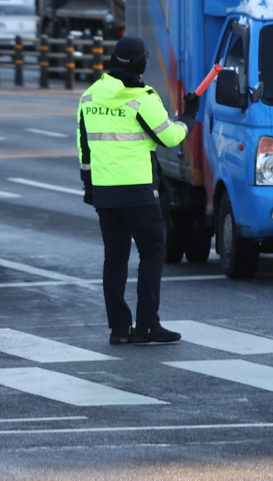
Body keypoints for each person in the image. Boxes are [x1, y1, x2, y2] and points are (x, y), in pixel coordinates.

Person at [77, 37, 199, 345]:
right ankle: (147, 325)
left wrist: (89, 186)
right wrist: (189, 116)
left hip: (105, 190)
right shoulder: (143, 98)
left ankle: (119, 329)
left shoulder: (89, 97)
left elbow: (84, 148)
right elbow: (170, 138)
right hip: (137, 191)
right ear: (138, 64)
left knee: (115, 259)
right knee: (153, 250)